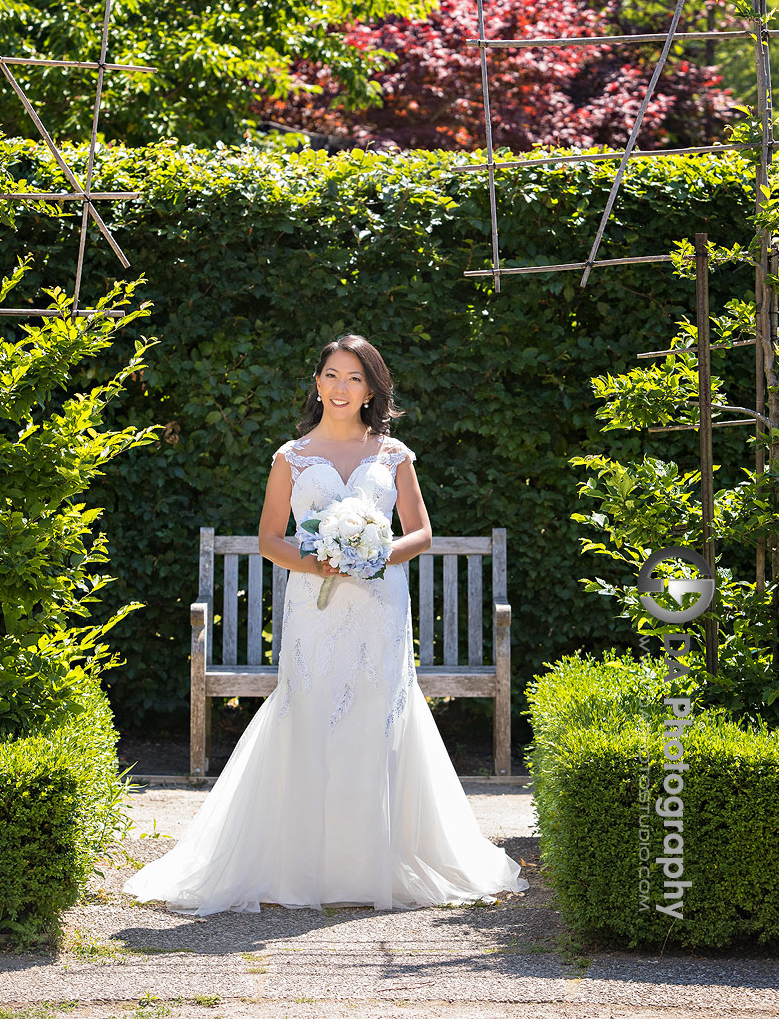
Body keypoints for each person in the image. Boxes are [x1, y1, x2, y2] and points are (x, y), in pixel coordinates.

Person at [122, 334, 528, 914]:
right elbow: (268, 540)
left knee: (376, 714)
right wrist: (317, 560)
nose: (342, 388)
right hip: (314, 612)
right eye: (332, 376)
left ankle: (379, 864)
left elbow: (422, 533)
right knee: (310, 712)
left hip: (379, 608)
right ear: (317, 384)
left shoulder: (394, 455)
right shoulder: (291, 457)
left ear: (371, 390)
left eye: (355, 378)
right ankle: (301, 863)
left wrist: (374, 554)